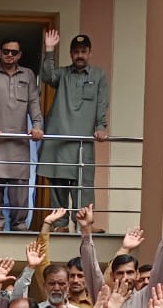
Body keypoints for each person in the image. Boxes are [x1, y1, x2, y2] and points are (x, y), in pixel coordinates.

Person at [38, 29, 110, 217]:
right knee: (58, 184)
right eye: (76, 52)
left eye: (83, 51)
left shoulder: (99, 75)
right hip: (59, 139)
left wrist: (101, 127)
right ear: (71, 54)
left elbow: (102, 103)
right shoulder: (63, 74)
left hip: (82, 141)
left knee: (83, 184)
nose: (80, 55)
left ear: (90, 53)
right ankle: (60, 225)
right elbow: (47, 76)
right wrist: (49, 49)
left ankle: (84, 224)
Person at [0, 37, 43, 231]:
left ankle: (19, 225)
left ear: (19, 55)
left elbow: (34, 104)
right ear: (0, 53)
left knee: (20, 189)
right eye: (6, 51)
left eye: (14, 52)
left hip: (19, 143)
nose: (9, 55)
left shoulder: (28, 75)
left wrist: (37, 126)